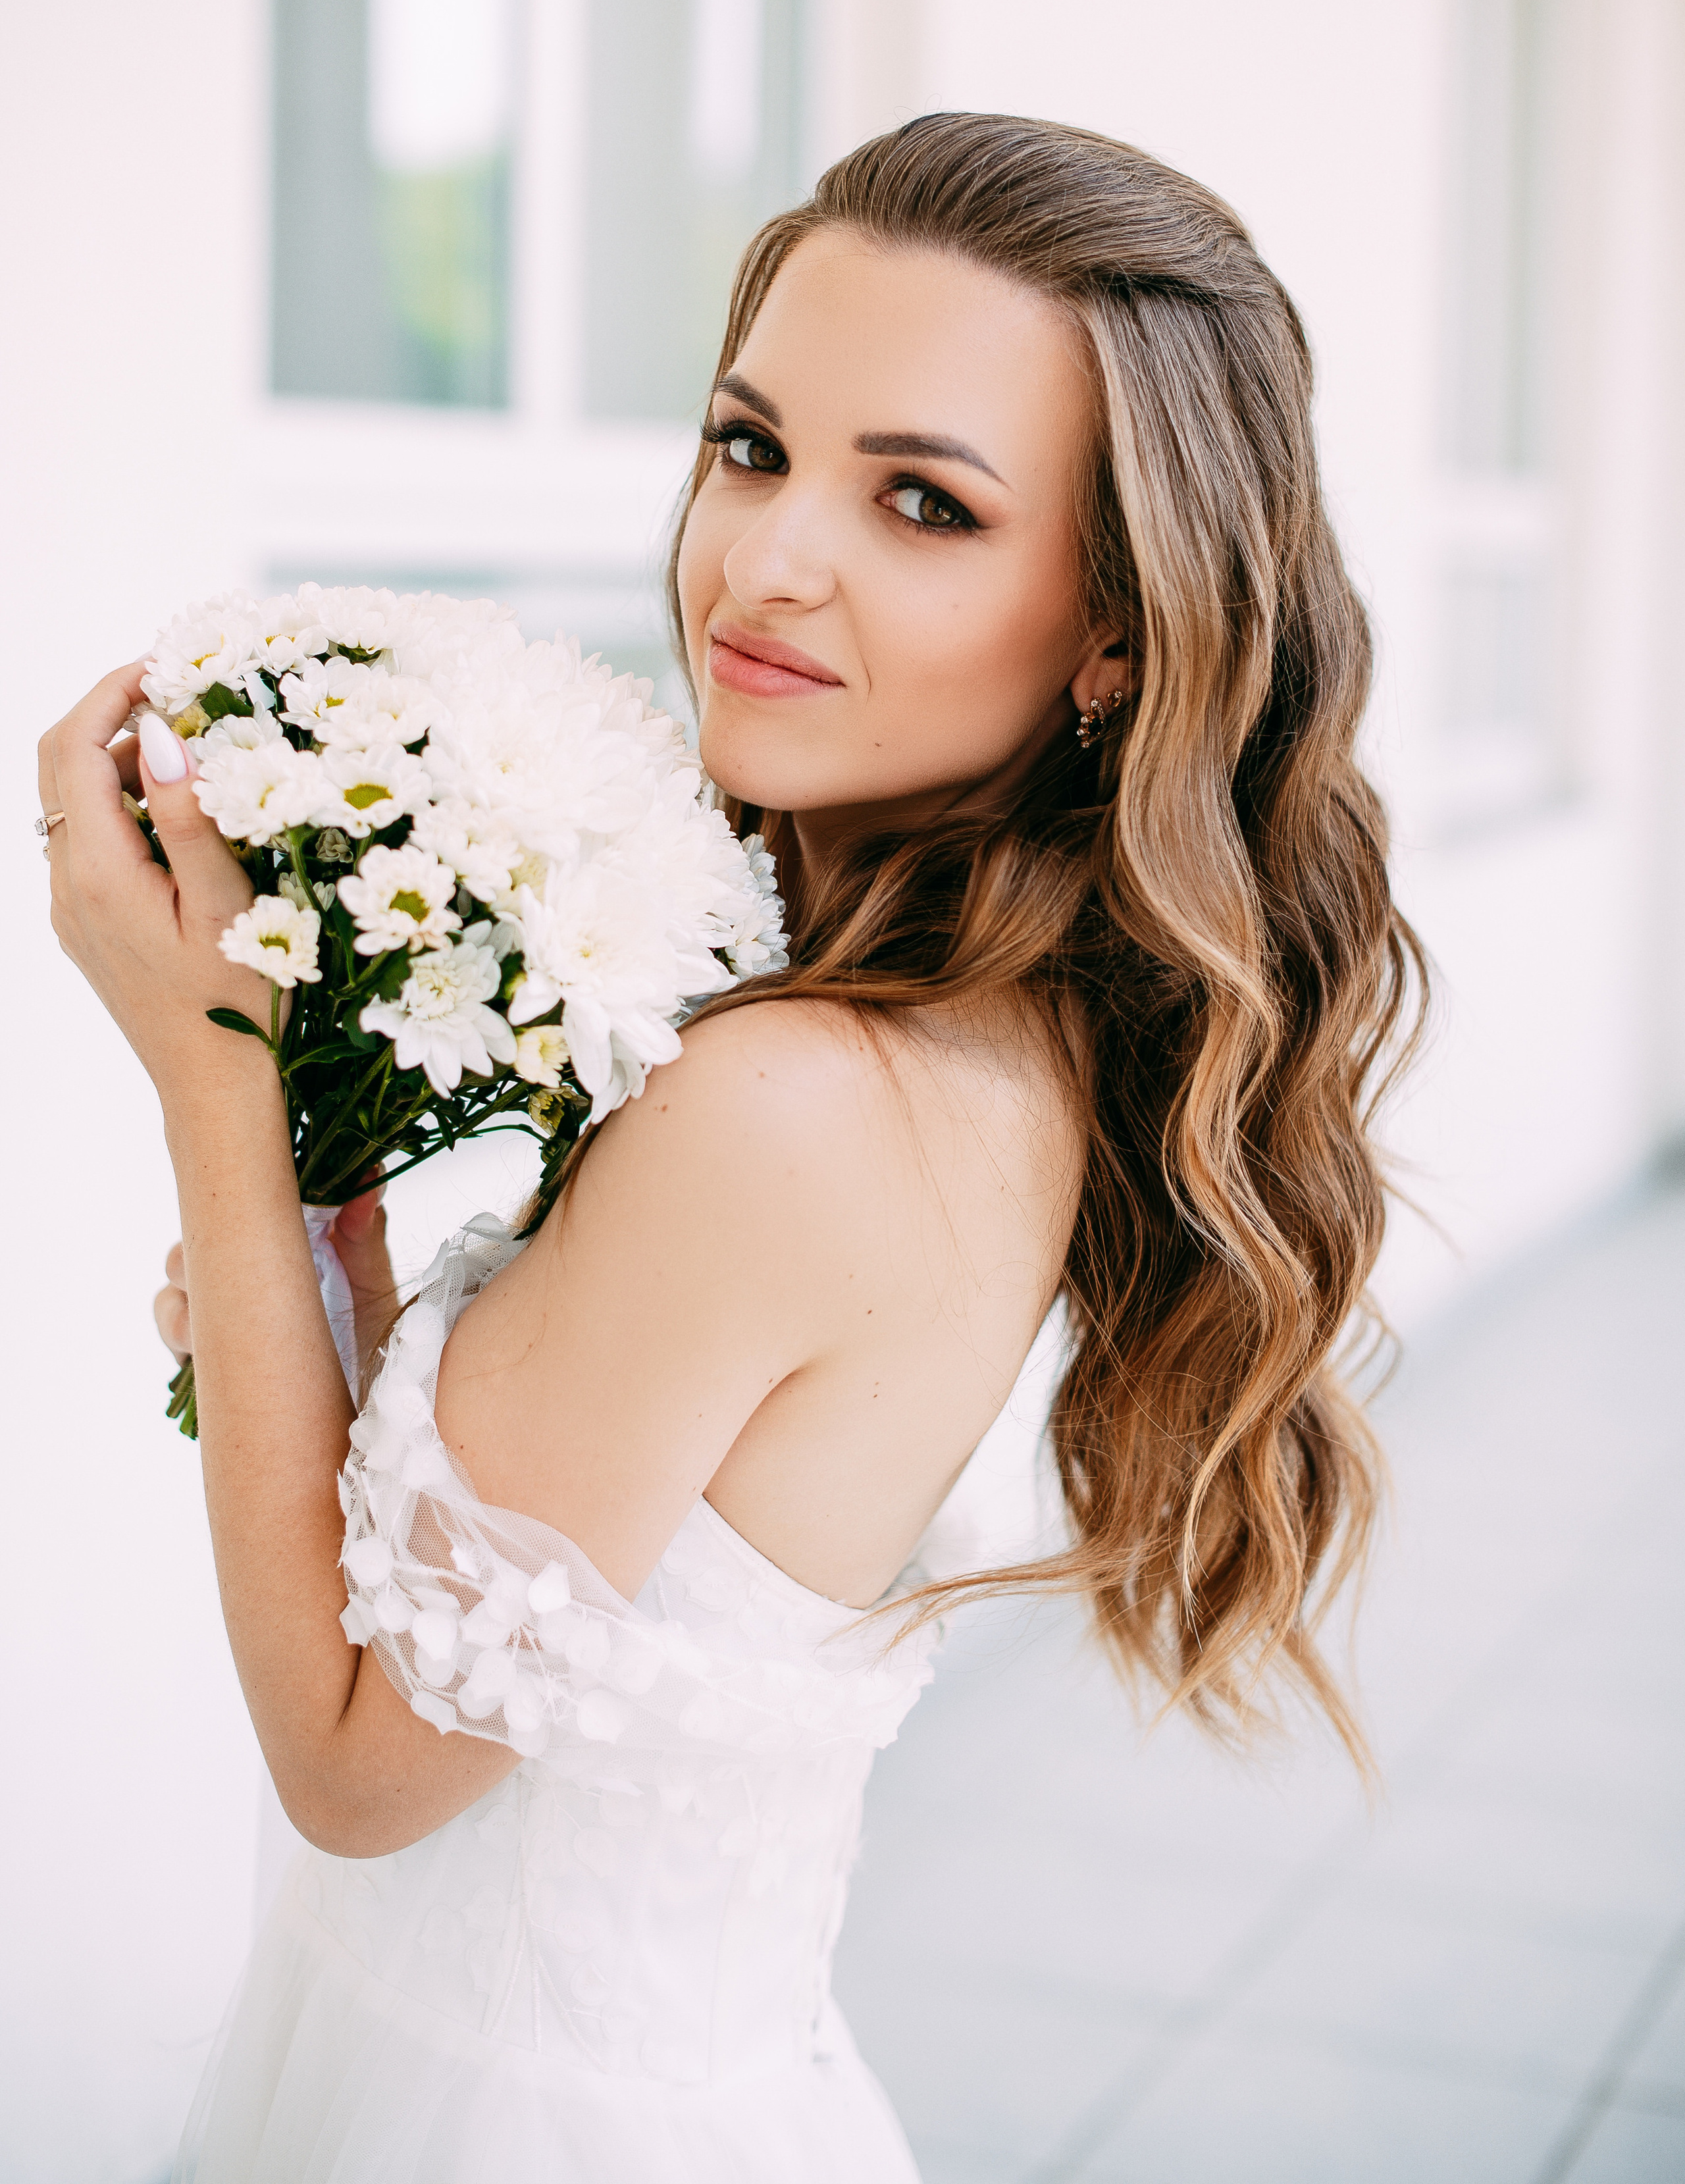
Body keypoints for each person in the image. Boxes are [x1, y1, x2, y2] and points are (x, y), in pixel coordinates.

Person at [40, 113, 1422, 2181]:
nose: (767, 559)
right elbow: (592, 1522)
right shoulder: (985, 1027)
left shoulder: (792, 1101)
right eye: (750, 444)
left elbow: (357, 1757)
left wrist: (214, 1074)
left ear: (1117, 628)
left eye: (926, 505)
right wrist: (324, 1256)